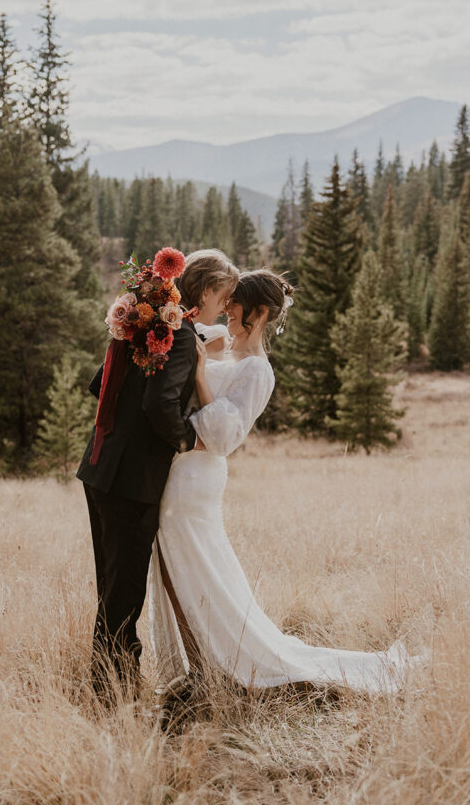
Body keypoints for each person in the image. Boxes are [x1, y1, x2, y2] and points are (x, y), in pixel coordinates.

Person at [148, 268, 426, 694]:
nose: (226, 318)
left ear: (258, 315)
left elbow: (221, 437)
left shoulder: (258, 371)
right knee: (187, 569)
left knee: (196, 570)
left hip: (197, 480)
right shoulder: (222, 348)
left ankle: (218, 667)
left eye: (234, 311)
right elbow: (191, 333)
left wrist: (202, 376)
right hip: (179, 474)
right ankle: (199, 666)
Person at [77, 249, 239, 701]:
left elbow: (99, 383)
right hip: (133, 480)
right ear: (204, 291)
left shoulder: (147, 324)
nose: (225, 307)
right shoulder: (180, 336)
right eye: (223, 297)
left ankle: (108, 687)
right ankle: (114, 695)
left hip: (100, 465)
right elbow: (158, 405)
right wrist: (189, 440)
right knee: (124, 594)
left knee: (111, 587)